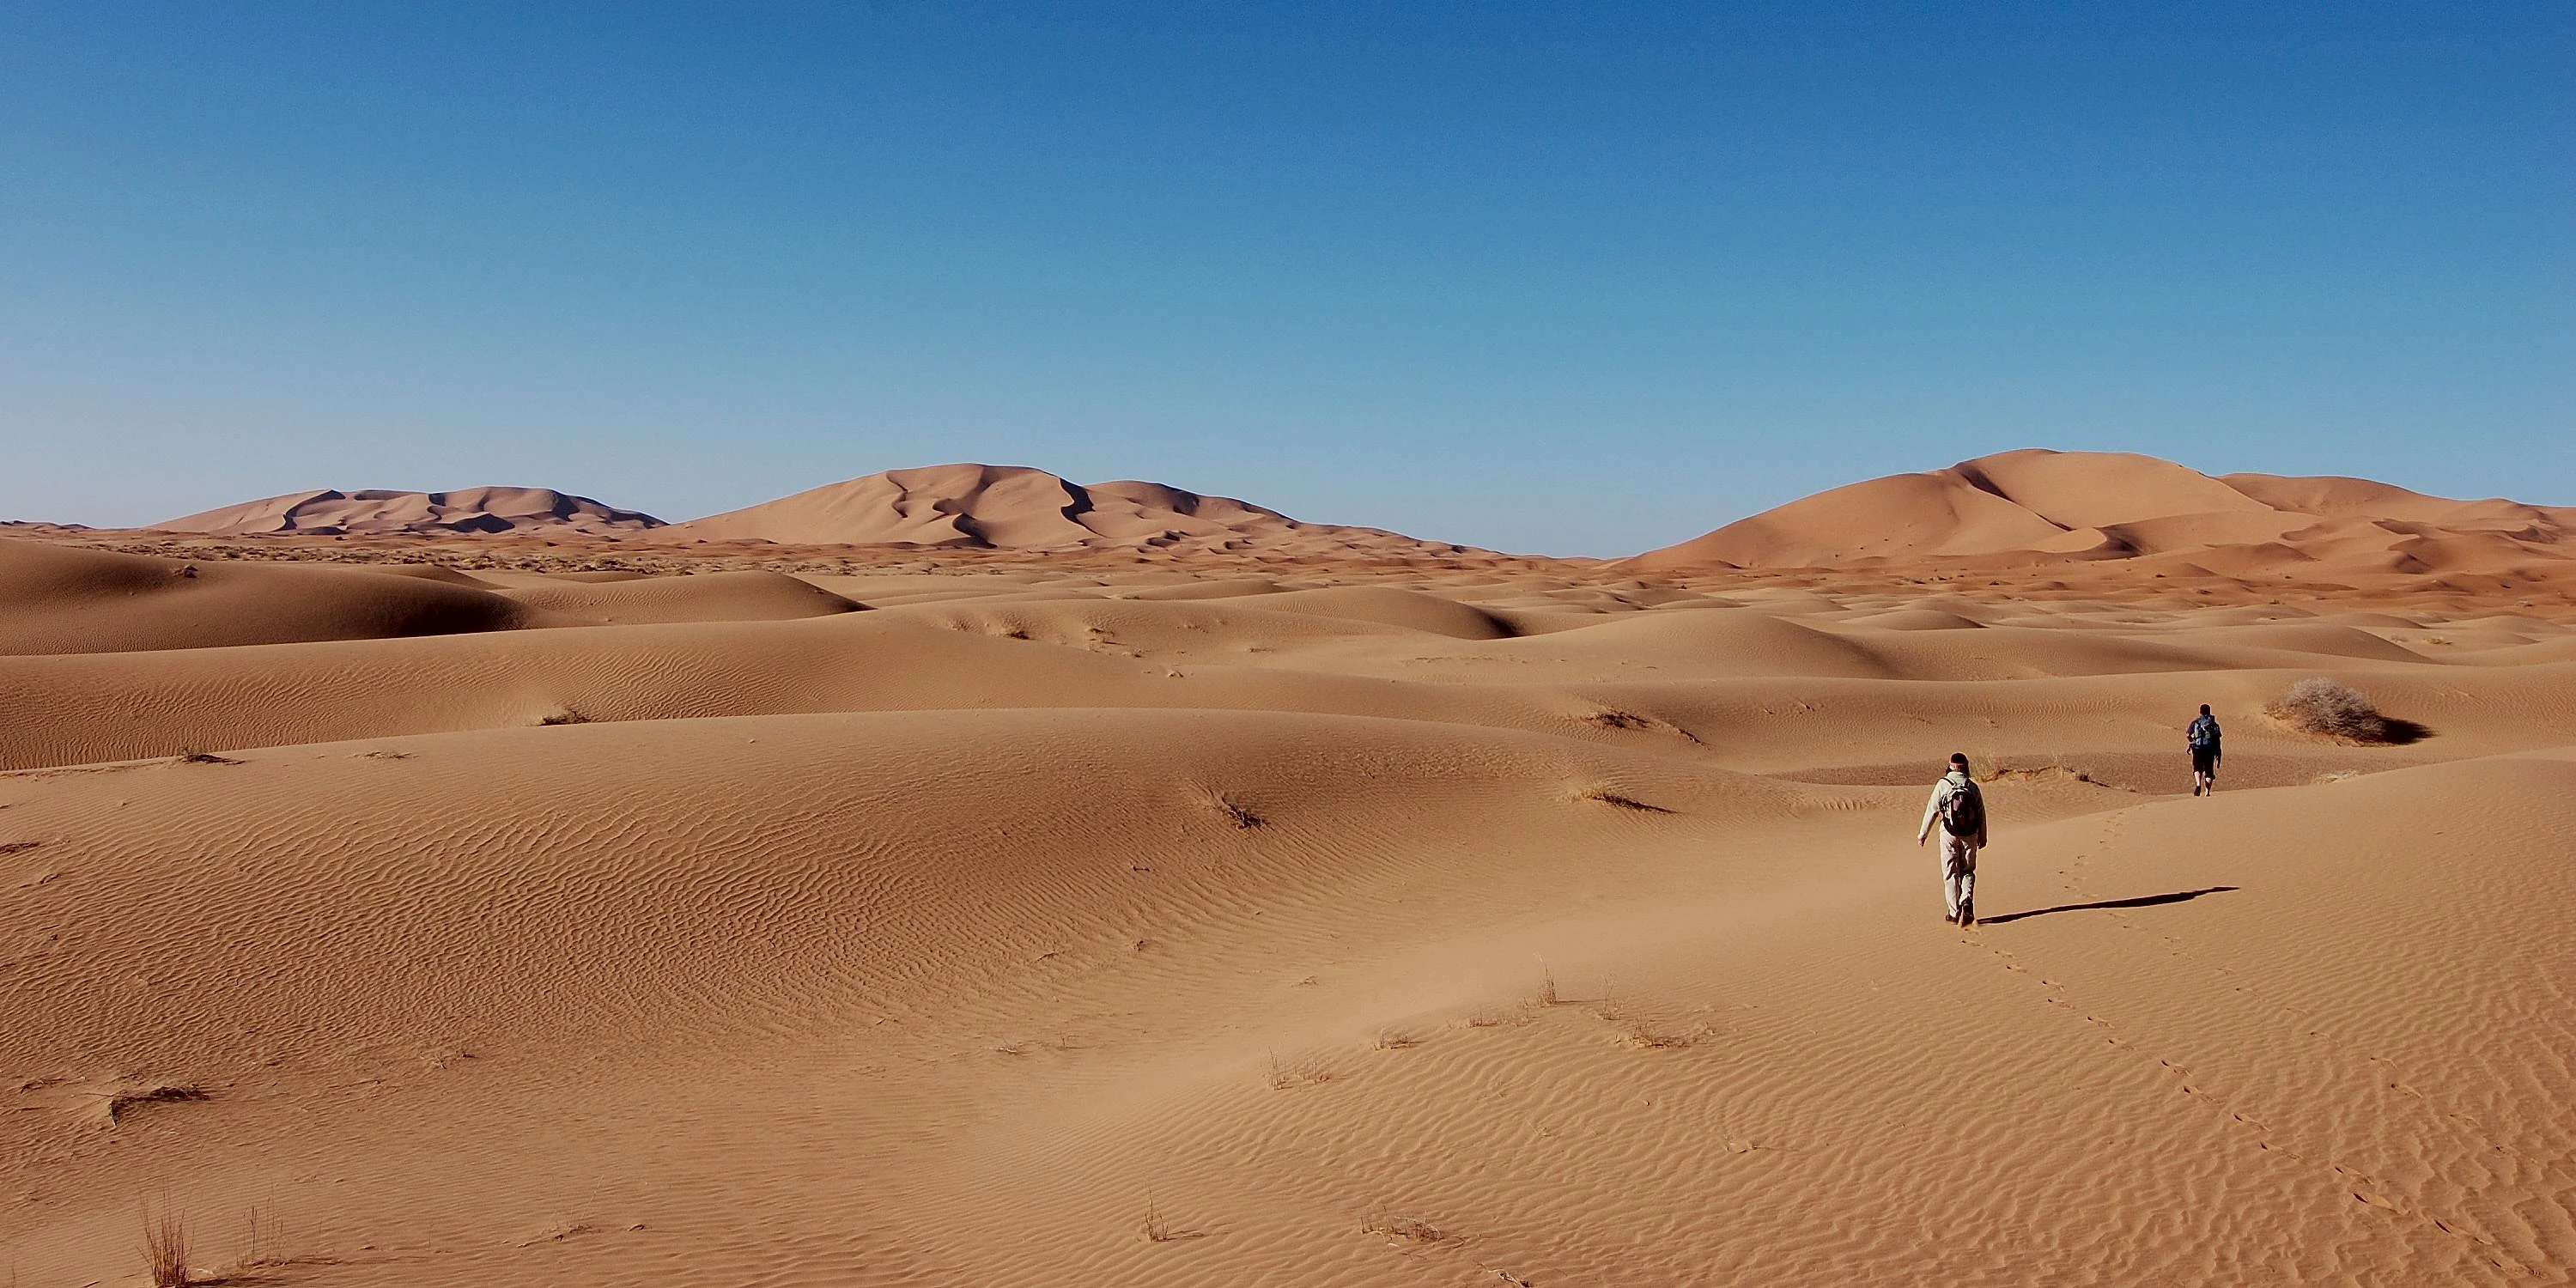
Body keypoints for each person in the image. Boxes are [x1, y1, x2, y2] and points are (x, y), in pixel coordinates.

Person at [1916, 752, 1987, 927]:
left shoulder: (1943, 785)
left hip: (1948, 834)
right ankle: (1966, 899)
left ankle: (1954, 913)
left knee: (1950, 873)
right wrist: (1983, 836)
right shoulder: (1972, 787)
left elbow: (1932, 810)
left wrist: (1923, 834)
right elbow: (1981, 814)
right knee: (1968, 870)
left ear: (1950, 766)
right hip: (1970, 835)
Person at [2187, 704, 2223, 796]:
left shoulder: (2196, 723)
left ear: (2200, 711)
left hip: (2198, 749)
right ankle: (2207, 792)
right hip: (2210, 750)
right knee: (2209, 771)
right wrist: (2218, 752)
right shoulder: (2214, 724)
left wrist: (2192, 742)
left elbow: (2188, 735)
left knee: (2197, 768)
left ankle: (2198, 784)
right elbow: (2217, 739)